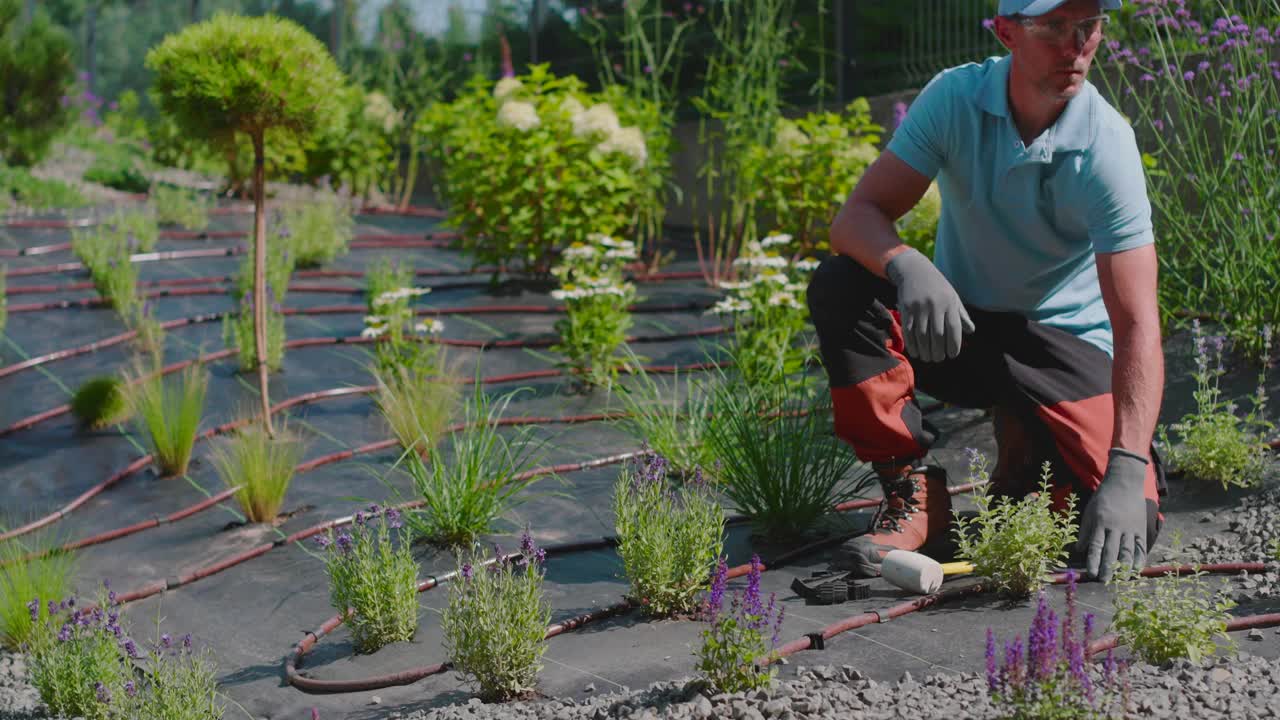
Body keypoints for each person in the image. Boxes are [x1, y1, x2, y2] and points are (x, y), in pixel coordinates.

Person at [808, 0, 1166, 584]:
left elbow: (1137, 325)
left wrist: (1127, 467)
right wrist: (907, 265)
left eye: (1089, 26)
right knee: (842, 285)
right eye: (1052, 26)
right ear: (1005, 33)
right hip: (957, 332)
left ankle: (1027, 448)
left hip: (1060, 349)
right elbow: (857, 217)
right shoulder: (956, 99)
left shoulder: (1107, 146)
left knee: (1126, 522)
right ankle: (915, 494)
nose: (1075, 46)